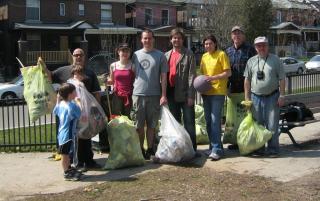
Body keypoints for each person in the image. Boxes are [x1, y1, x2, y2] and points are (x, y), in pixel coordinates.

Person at [49, 48, 102, 171]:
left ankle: (88, 161)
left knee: (86, 136)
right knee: (74, 139)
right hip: (71, 114)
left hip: (85, 112)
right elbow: (50, 76)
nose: (78, 57)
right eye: (76, 55)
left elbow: (96, 93)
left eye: (81, 55)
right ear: (72, 56)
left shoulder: (90, 73)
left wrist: (95, 110)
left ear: (84, 57)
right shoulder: (64, 71)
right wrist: (42, 67)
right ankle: (74, 163)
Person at [244, 36, 285, 157]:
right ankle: (259, 149)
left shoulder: (275, 60)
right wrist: (247, 98)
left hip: (272, 97)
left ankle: (273, 150)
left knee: (272, 125)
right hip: (256, 97)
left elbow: (282, 79)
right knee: (258, 125)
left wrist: (282, 95)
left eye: (264, 45)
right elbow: (247, 80)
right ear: (255, 47)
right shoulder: (251, 61)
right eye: (259, 45)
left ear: (268, 46)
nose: (261, 48)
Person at [131, 29, 168, 160]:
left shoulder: (160, 56)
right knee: (139, 125)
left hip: (154, 94)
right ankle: (140, 149)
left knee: (152, 125)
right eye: (145, 38)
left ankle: (150, 149)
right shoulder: (135, 55)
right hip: (138, 94)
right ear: (141, 40)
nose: (147, 40)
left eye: (150, 38)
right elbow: (129, 72)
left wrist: (163, 95)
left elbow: (164, 77)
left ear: (153, 39)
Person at [164, 28, 197, 153]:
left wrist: (191, 96)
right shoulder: (166, 55)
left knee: (189, 122)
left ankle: (192, 149)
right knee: (175, 123)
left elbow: (191, 76)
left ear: (183, 39)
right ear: (171, 39)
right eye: (174, 37)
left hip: (184, 93)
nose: (176, 40)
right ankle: (178, 149)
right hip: (171, 93)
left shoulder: (189, 54)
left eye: (179, 38)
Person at [200, 34, 231, 161]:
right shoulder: (204, 56)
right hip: (206, 92)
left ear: (215, 44)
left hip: (218, 92)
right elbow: (202, 74)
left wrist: (214, 78)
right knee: (208, 121)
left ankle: (217, 149)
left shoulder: (221, 54)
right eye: (206, 44)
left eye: (210, 43)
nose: (208, 46)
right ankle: (213, 147)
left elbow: (228, 72)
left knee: (214, 120)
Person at [224, 26, 256, 150]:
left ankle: (248, 141)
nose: (236, 35)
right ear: (231, 36)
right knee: (235, 118)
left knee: (247, 115)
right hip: (233, 89)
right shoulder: (228, 51)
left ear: (243, 36)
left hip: (247, 89)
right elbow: (226, 70)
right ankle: (237, 141)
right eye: (234, 33)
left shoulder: (250, 50)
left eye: (239, 33)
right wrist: (226, 87)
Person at [53, 83, 82, 181]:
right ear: (70, 94)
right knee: (65, 155)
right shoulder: (72, 106)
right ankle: (66, 173)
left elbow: (55, 111)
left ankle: (69, 169)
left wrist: (58, 99)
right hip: (68, 134)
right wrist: (78, 101)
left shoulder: (61, 104)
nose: (76, 93)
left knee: (66, 154)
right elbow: (80, 113)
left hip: (62, 133)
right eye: (74, 91)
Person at [107, 43, 135, 117]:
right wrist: (106, 81)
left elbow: (136, 81)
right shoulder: (113, 65)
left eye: (127, 51)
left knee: (128, 117)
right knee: (117, 116)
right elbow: (112, 81)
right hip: (116, 95)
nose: (125, 53)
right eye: (123, 51)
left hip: (129, 96)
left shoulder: (133, 66)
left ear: (130, 53)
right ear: (118, 52)